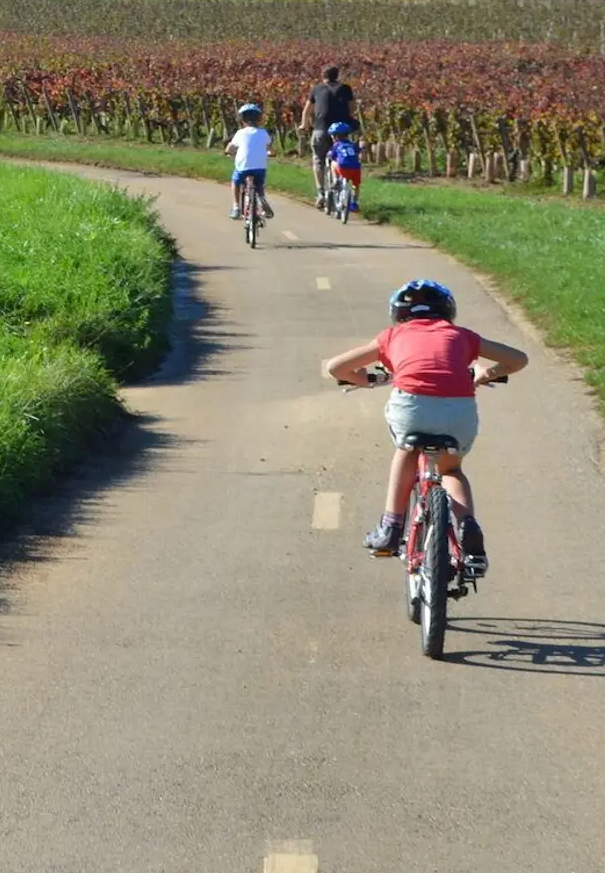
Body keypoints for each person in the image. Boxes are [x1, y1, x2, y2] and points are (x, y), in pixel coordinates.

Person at [321, 279, 528, 575]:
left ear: (398, 313)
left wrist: (367, 380)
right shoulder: (461, 335)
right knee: (451, 470)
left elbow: (336, 368)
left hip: (413, 408)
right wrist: (484, 374)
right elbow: (518, 359)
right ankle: (468, 529)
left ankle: (391, 527)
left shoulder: (391, 336)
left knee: (407, 449)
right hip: (458, 410)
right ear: (447, 311)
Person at [301, 66, 357, 194]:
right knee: (340, 157)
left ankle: (320, 192)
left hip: (320, 129)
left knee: (318, 159)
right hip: (341, 131)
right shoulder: (346, 89)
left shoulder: (316, 89)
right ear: (337, 76)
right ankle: (339, 183)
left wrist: (304, 125)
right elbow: (352, 108)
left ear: (323, 76)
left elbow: (307, 111)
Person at [225, 102, 275, 220]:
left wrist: (229, 153)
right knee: (259, 184)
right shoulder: (263, 133)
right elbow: (271, 150)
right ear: (258, 119)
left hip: (243, 167)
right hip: (259, 167)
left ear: (242, 120)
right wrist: (270, 153)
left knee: (236, 181)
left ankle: (236, 207)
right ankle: (261, 199)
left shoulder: (240, 133)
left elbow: (229, 148)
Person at [325, 122, 363, 212]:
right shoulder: (352, 145)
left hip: (343, 168)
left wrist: (329, 155)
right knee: (355, 185)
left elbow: (331, 155)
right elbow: (359, 150)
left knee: (333, 163)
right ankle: (354, 203)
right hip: (356, 169)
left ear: (335, 136)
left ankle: (335, 180)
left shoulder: (336, 145)